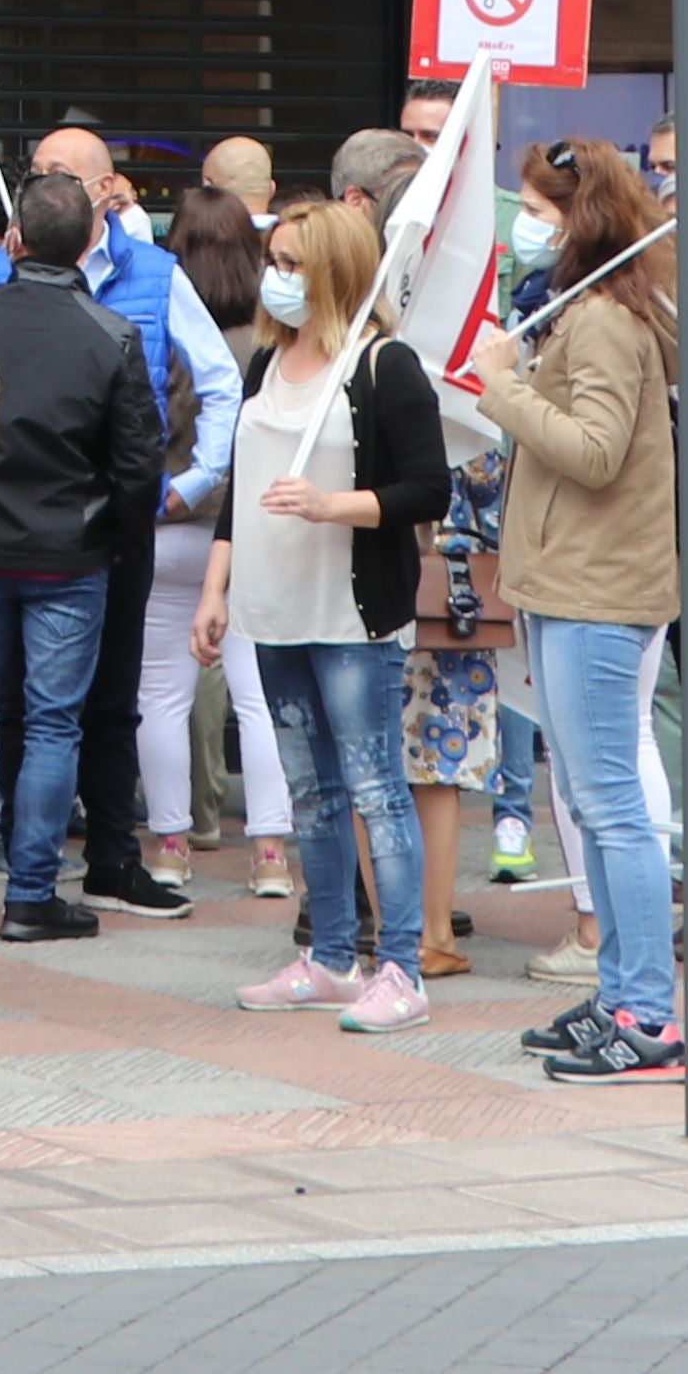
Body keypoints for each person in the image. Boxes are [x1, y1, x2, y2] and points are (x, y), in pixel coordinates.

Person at [192, 192, 448, 1029]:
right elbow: (240, 493)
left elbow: (426, 488)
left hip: (351, 614)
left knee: (375, 786)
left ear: (335, 270)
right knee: (312, 792)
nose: (276, 277)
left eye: (294, 264)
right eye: (275, 261)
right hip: (273, 610)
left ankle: (401, 964)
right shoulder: (267, 366)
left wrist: (334, 505)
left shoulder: (385, 365)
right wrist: (216, 589)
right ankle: (332, 954)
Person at [479, 141, 686, 1088]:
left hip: (599, 588)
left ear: (575, 216)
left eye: (534, 205)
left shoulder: (604, 318)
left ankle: (645, 1010)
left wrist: (504, 389)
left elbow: (596, 452)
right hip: (571, 582)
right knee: (596, 806)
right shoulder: (594, 309)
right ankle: (620, 996)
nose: (522, 222)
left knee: (612, 807)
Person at [0, 175, 168, 943]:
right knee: (54, 724)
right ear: (88, 244)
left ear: (14, 241)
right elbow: (139, 462)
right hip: (69, 552)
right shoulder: (110, 334)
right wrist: (121, 541)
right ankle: (30, 895)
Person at [29, 124, 232, 920]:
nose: (42, 184)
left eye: (60, 174)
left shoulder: (155, 273)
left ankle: (114, 855)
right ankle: (25, 863)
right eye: (36, 171)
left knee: (116, 697)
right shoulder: (2, 271)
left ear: (107, 191)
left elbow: (220, 383)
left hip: (124, 523)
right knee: (25, 700)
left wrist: (194, 483)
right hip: (31, 522)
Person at [142, 177, 296, 899]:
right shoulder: (272, 344)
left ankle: (169, 843)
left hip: (169, 526)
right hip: (253, 537)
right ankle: (270, 853)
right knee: (260, 698)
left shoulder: (157, 329)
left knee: (162, 695)